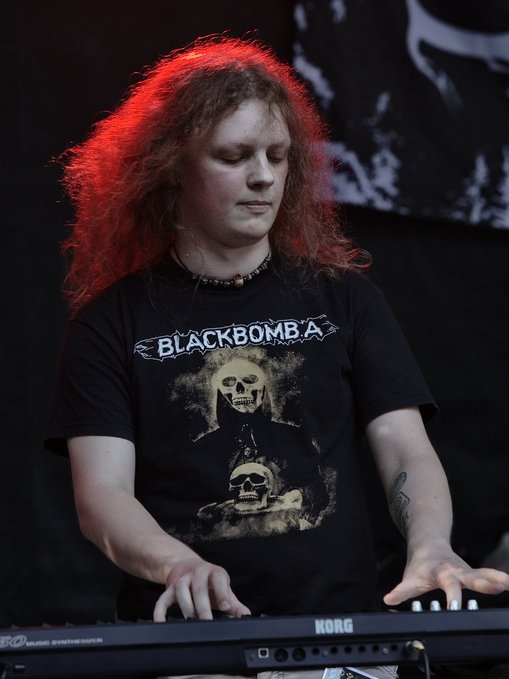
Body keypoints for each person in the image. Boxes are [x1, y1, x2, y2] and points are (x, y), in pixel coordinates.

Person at [45, 36, 509, 679]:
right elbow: (102, 495)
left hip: (343, 644)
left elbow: (405, 449)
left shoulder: (344, 300)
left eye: (278, 155)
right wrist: (176, 563)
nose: (263, 176)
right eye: (233, 156)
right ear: (171, 166)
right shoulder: (110, 324)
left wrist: (431, 545)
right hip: (191, 652)